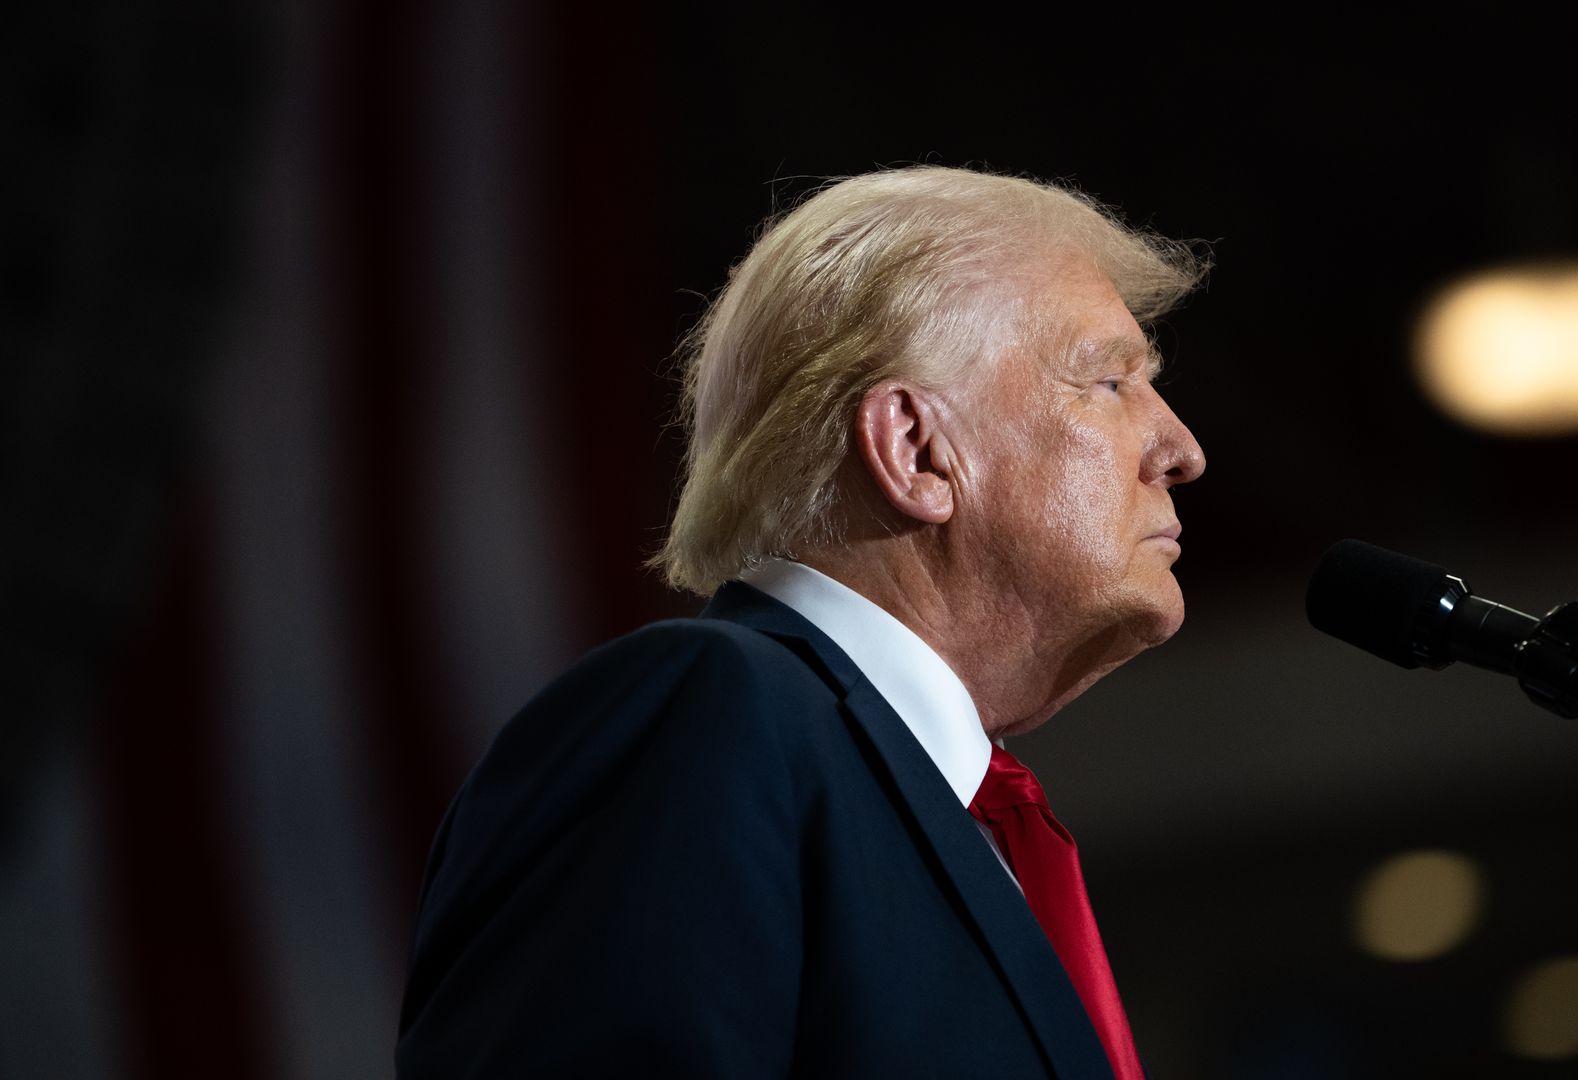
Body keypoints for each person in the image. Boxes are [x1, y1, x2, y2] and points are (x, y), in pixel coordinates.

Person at [395, 166, 1207, 1078]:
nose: (1182, 450)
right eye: (1109, 381)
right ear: (918, 452)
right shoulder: (704, 714)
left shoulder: (957, 818)